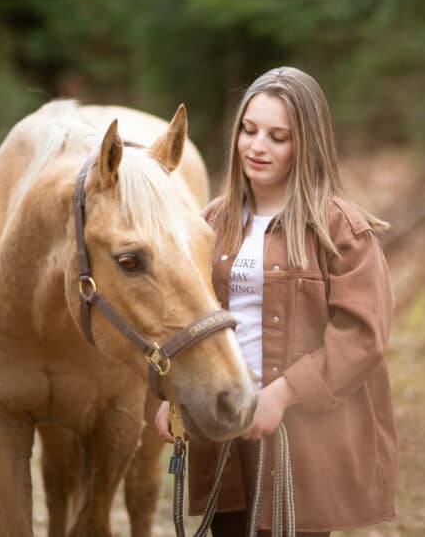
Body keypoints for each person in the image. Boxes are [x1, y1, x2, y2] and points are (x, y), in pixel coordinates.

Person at [156, 66, 397, 536]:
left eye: (277, 136)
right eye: (248, 130)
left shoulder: (340, 230)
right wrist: (175, 392)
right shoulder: (211, 222)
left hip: (302, 439)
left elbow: (361, 337)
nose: (257, 146)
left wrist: (282, 395)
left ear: (306, 144)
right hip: (222, 427)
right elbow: (185, 316)